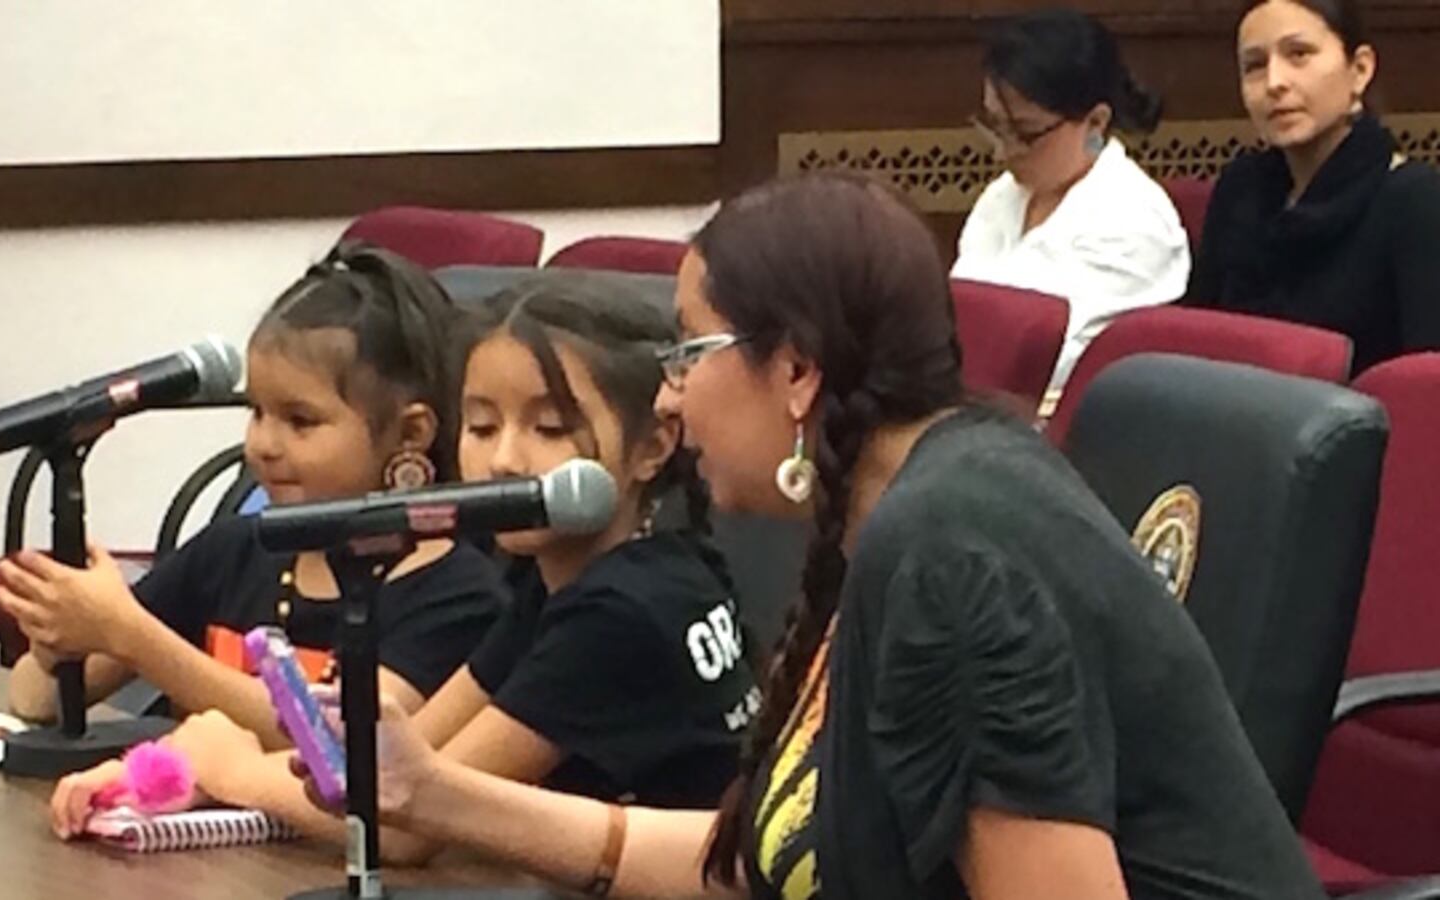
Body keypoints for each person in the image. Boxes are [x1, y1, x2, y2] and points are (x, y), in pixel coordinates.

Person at [303, 173, 1323, 900]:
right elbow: (770, 858)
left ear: (795, 370)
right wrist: (434, 796)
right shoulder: (894, 506)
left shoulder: (950, 555)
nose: (671, 392)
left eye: (690, 350)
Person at [48, 271, 761, 861]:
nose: (505, 459)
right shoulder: (566, 576)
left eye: (549, 428)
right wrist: (164, 772)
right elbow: (410, 758)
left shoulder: (624, 610)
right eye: (481, 427)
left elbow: (408, 818)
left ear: (653, 446)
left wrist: (231, 770)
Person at [0, 242, 506, 743]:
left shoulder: (457, 593)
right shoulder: (232, 551)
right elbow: (35, 700)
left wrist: (131, 636)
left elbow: (344, 745)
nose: (263, 444)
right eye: (257, 412)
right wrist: (60, 634)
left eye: (299, 421)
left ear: (410, 432)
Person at [1183, 0, 1440, 375]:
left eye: (1299, 54)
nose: (1274, 83)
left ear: (1360, 69)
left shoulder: (1414, 199)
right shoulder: (1241, 189)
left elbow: (1425, 390)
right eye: (1254, 66)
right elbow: (1194, 340)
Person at [952, 9, 1190, 399]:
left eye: (1025, 133)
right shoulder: (1003, 196)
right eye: (994, 126)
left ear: (1095, 122)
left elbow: (1035, 362)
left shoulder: (1134, 222)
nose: (1002, 153)